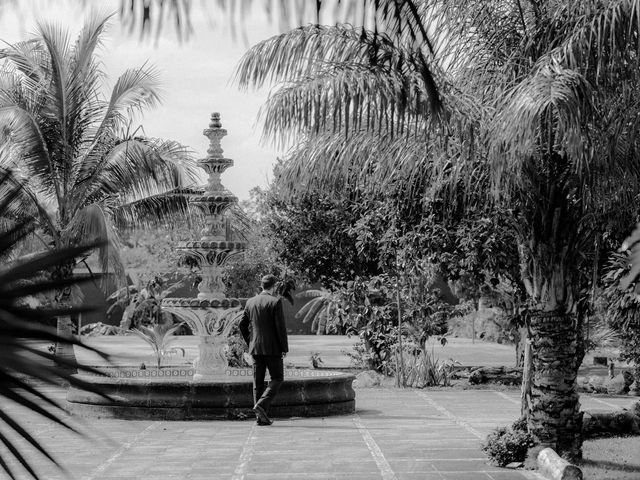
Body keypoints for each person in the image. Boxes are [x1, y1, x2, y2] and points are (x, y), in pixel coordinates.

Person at [239, 274, 288, 426]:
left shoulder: (250, 302)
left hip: (256, 348)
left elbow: (242, 325)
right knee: (277, 378)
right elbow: (280, 328)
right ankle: (261, 405)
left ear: (262, 286)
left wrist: (250, 341)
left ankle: (260, 418)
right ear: (274, 286)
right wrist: (284, 348)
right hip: (272, 348)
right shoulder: (275, 301)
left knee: (258, 383)